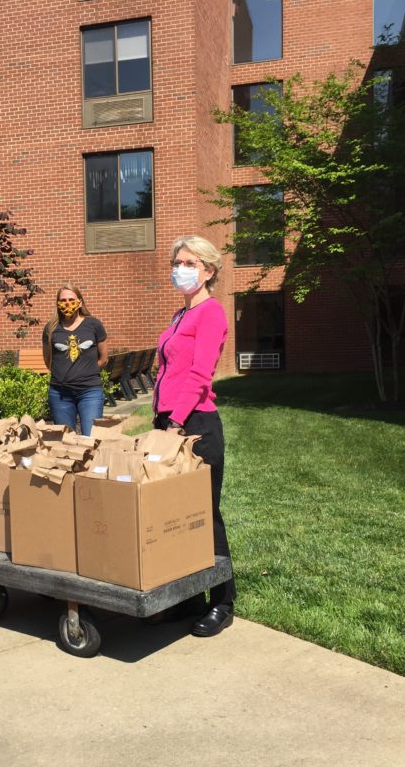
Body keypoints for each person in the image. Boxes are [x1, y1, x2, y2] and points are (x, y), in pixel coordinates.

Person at [152, 235, 236, 637]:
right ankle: (188, 598)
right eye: (176, 262)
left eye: (187, 262)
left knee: (204, 515)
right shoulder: (179, 314)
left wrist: (175, 422)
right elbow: (169, 369)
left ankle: (223, 601)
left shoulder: (211, 313)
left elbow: (202, 376)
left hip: (195, 426)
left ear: (208, 270)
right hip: (168, 422)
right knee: (175, 516)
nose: (179, 268)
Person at [43, 283, 108, 436]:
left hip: (89, 392)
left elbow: (103, 359)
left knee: (92, 438)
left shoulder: (93, 324)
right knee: (66, 442)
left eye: (71, 299)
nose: (67, 303)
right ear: (58, 304)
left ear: (79, 302)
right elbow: (48, 360)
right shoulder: (51, 328)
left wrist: (85, 372)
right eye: (63, 300)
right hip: (60, 394)